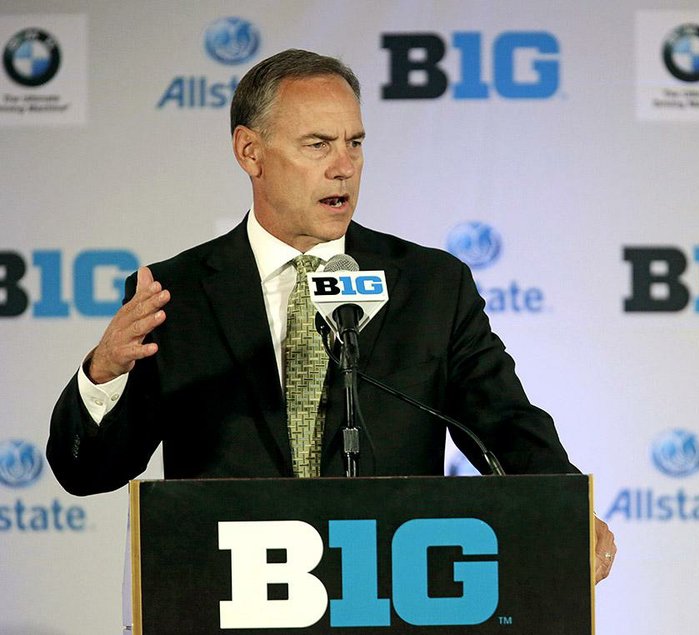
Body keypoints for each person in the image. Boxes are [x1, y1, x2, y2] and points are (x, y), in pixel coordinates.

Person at [46, 49, 616, 581]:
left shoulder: (429, 287)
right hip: (231, 598)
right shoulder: (179, 295)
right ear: (251, 152)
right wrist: (103, 374)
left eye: (355, 143)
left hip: (392, 594)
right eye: (317, 145)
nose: (344, 167)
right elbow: (88, 473)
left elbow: (504, 424)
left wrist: (563, 506)